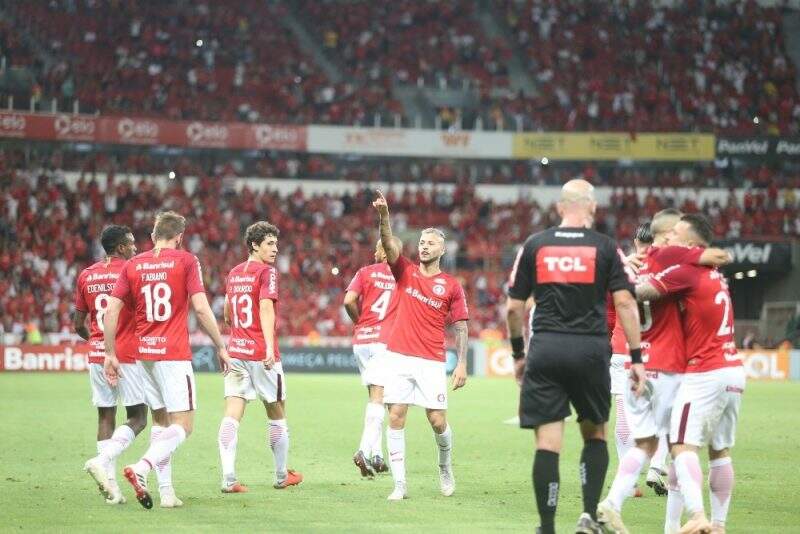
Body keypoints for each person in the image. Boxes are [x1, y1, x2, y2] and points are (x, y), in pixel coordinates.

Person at [505, 179, 645, 534]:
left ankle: (547, 526)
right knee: (594, 433)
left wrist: (519, 354)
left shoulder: (535, 245)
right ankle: (586, 516)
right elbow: (627, 302)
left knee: (548, 442)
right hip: (590, 351)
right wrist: (636, 358)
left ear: (559, 207)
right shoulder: (606, 247)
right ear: (592, 207)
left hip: (547, 349)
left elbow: (513, 307)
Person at [598, 210, 731, 532]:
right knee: (680, 446)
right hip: (669, 364)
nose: (679, 236)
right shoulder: (675, 261)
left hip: (633, 362)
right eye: (676, 231)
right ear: (668, 233)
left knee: (644, 443)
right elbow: (718, 255)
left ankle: (612, 503)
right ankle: (696, 517)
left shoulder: (626, 264)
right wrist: (700, 254)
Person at [103, 211, 231, 509]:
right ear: (180, 238)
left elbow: (111, 311)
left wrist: (110, 353)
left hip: (143, 355)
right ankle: (142, 468)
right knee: (183, 425)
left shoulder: (134, 264)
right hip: (173, 354)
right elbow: (200, 308)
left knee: (160, 423)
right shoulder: (186, 260)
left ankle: (167, 492)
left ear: (153, 236)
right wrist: (221, 345)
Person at [635, 214, 745, 534]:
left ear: (692, 244)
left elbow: (643, 292)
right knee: (719, 451)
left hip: (704, 372)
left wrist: (618, 280)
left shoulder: (687, 271)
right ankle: (720, 524)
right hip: (733, 371)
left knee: (681, 447)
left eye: (678, 234)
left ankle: (697, 516)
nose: (671, 239)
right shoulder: (715, 275)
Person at [372, 190, 469, 501]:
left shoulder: (451, 285)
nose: (425, 246)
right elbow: (388, 244)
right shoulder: (405, 272)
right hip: (398, 356)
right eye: (422, 242)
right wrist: (384, 218)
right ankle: (399, 484)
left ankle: (444, 467)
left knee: (437, 420)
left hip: (430, 360)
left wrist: (463, 362)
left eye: (431, 243)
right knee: (396, 414)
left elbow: (461, 325)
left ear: (442, 249)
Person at [217, 221, 303, 493]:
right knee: (277, 413)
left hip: (237, 351)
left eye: (276, 244)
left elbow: (228, 315)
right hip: (260, 352)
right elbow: (266, 308)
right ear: (254, 245)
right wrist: (267, 346)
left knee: (232, 414)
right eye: (270, 243)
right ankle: (281, 475)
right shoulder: (267, 273)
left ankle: (228, 478)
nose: (276, 249)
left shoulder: (233, 273)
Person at [77, 225, 146, 504]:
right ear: (120, 247)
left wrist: (96, 342)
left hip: (96, 354)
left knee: (105, 416)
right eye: (130, 244)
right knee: (139, 417)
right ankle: (102, 460)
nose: (135, 248)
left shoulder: (86, 275)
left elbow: (76, 324)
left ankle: (112, 488)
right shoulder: (131, 271)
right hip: (126, 353)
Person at [343, 236, 403, 477]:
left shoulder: (365, 272)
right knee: (381, 397)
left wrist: (360, 324)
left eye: (377, 248)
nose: (375, 252)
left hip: (362, 341)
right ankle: (364, 451)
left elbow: (348, 300)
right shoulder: (403, 277)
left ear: (383, 251)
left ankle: (378, 456)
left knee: (375, 395)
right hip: (384, 342)